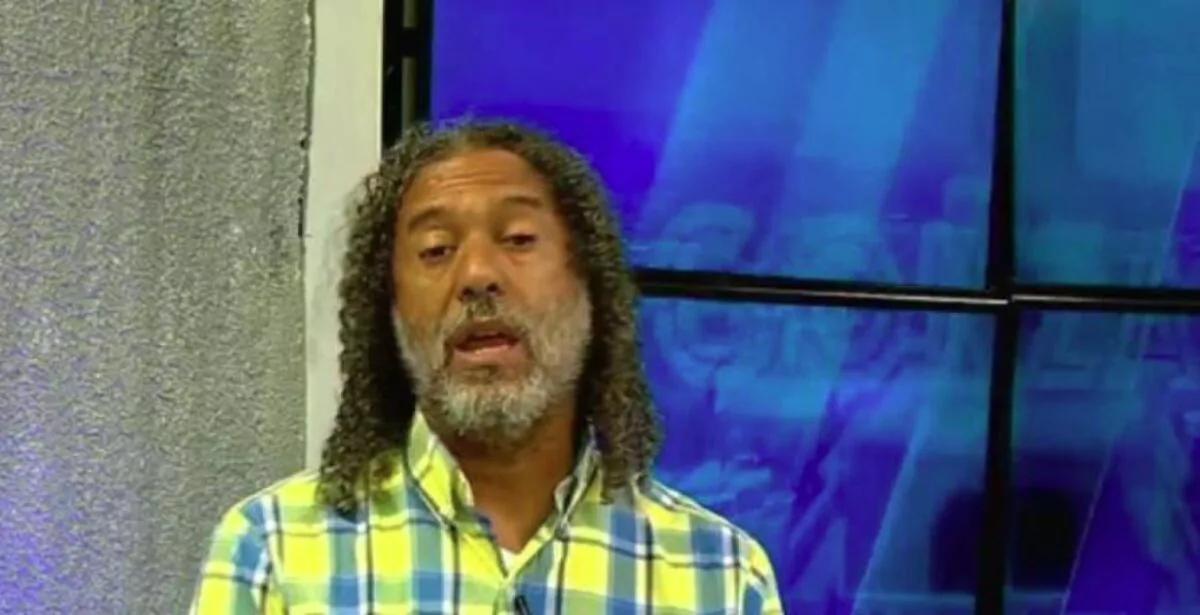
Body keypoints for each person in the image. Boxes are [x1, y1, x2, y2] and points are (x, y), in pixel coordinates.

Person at [189, 118, 784, 614]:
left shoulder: (720, 577)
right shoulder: (274, 552)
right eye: (436, 250)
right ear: (389, 310)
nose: (476, 275)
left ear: (591, 285)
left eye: (519, 239)